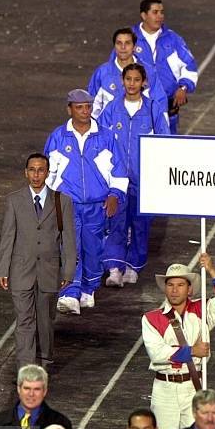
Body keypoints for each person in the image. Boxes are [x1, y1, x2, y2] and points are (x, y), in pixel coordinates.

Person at [44, 89, 128, 315]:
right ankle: (70, 292)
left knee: (93, 249)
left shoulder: (107, 137)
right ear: (69, 109)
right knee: (69, 248)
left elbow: (119, 170)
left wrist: (115, 196)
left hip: (96, 205)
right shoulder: (58, 137)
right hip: (67, 203)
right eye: (79, 107)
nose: (84, 111)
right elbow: (49, 172)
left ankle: (88, 289)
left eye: (87, 107)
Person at [142, 253, 215, 429]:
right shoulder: (151, 318)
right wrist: (192, 351)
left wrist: (211, 269)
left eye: (180, 285)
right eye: (170, 285)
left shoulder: (202, 309)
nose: (174, 290)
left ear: (190, 289)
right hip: (165, 389)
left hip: (194, 387)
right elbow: (157, 353)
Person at [0, 153, 77, 371]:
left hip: (49, 272)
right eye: (32, 169)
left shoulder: (62, 202)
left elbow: (68, 239)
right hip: (20, 270)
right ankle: (26, 369)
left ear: (47, 173)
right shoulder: (14, 200)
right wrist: (3, 269)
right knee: (24, 321)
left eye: (40, 170)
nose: (36, 174)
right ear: (26, 172)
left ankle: (43, 363)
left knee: (44, 322)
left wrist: (68, 272)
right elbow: (8, 237)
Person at [98, 64, 170, 288]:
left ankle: (133, 266)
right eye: (128, 79)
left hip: (142, 178)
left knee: (140, 223)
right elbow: (99, 138)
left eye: (136, 79)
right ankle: (114, 267)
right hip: (117, 178)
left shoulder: (152, 109)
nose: (131, 83)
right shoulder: (111, 108)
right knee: (115, 222)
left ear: (143, 82)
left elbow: (164, 140)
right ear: (122, 80)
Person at [131, 0, 198, 134]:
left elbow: (190, 66)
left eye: (162, 12)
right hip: (137, 109)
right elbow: (116, 69)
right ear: (144, 15)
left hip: (168, 108)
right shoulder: (129, 39)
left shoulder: (174, 40)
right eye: (155, 12)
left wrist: (183, 87)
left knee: (167, 149)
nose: (160, 16)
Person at [88, 27, 167, 120]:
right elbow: (90, 107)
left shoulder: (148, 72)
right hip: (110, 131)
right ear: (114, 46)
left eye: (127, 43)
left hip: (141, 130)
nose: (123, 47)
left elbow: (160, 105)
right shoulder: (102, 73)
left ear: (134, 47)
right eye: (119, 43)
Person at [0, 365, 73, 429]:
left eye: (37, 389)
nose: (31, 394)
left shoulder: (61, 423)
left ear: (44, 391)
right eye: (27, 388)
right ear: (19, 389)